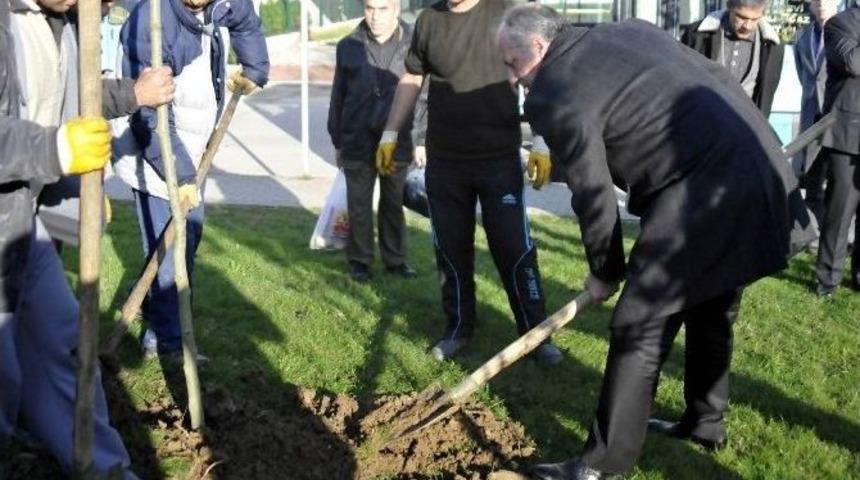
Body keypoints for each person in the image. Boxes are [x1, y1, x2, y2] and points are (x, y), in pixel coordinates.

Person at [497, 5, 813, 478]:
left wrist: (606, 271)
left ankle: (600, 467)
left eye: (511, 64)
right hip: (756, 166)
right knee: (712, 305)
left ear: (539, 47)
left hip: (703, 189)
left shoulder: (554, 92)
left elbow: (592, 192)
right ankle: (706, 421)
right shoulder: (629, 31)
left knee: (638, 326)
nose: (511, 79)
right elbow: (714, 76)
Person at [0, 0, 150, 475]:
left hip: (21, 219)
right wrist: (56, 149)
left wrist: (133, 95)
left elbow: (75, 93)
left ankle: (104, 469)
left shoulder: (64, 21)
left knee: (62, 343)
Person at [375, 0, 562, 365]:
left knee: (514, 247)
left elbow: (537, 72)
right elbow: (413, 76)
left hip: (498, 158)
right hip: (446, 161)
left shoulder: (505, 11)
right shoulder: (429, 20)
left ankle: (536, 334)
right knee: (450, 250)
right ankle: (458, 328)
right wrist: (390, 132)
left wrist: (541, 138)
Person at [112, 0, 269, 359]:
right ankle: (167, 343)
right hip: (151, 150)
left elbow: (245, 22)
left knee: (188, 235)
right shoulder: (149, 23)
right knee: (170, 250)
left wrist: (255, 70)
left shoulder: (223, 3)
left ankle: (156, 321)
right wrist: (180, 175)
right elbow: (147, 117)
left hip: (189, 147)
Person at [327, 0, 417, 282]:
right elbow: (338, 96)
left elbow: (426, 92)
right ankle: (360, 261)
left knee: (393, 202)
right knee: (358, 204)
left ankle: (395, 260)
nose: (375, 16)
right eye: (369, 8)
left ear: (397, 9)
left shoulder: (414, 43)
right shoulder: (348, 45)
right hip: (356, 137)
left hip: (398, 137)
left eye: (383, 9)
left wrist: (422, 137)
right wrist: (337, 140)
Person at [814, 2, 860, 297]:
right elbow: (854, 63)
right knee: (840, 209)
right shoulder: (840, 23)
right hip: (848, 134)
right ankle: (828, 280)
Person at [681, 0, 784, 117]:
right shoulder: (696, 35)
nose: (747, 26)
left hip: (745, 124)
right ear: (729, 7)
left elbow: (766, 96)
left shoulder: (772, 46)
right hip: (702, 119)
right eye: (741, 17)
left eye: (755, 19)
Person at [794, 0, 839, 225]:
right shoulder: (802, 36)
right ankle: (811, 226)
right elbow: (804, 74)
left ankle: (839, 228)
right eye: (816, 0)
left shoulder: (847, 31)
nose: (821, 3)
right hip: (811, 112)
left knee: (837, 174)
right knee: (812, 171)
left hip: (838, 111)